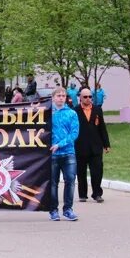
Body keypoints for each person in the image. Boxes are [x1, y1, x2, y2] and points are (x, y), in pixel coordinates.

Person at [74, 87, 110, 203]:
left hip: (96, 146)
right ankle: (83, 194)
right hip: (80, 146)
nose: (88, 99)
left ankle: (97, 194)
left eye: (90, 97)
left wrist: (106, 144)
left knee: (97, 171)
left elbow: (102, 128)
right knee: (81, 172)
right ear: (80, 97)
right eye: (85, 97)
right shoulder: (75, 111)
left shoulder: (97, 110)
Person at [49, 87, 80, 221]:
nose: (61, 98)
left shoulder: (72, 113)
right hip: (52, 154)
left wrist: (60, 144)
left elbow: (74, 133)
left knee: (70, 181)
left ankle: (68, 209)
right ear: (53, 97)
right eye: (58, 95)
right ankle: (53, 210)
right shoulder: (47, 113)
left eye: (63, 95)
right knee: (53, 183)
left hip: (68, 152)